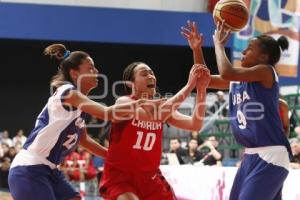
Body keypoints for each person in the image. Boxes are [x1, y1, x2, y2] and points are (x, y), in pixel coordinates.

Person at [8, 44, 160, 200]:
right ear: (75, 74)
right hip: (29, 168)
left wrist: (114, 157)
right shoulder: (68, 92)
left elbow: (84, 140)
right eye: (91, 68)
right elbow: (107, 113)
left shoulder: (80, 104)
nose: (96, 72)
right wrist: (141, 102)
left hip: (49, 169)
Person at [182, 20, 292, 200]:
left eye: (249, 48)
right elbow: (202, 79)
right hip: (250, 155)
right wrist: (197, 49)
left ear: (263, 57)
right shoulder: (237, 80)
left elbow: (227, 72)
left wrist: (219, 44)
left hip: (270, 155)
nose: (243, 51)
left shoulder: (266, 71)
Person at [99, 62, 210, 200]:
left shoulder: (162, 107)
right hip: (121, 177)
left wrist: (202, 90)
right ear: (130, 83)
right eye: (144, 74)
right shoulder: (124, 102)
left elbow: (195, 124)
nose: (150, 76)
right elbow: (156, 116)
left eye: (151, 72)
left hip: (150, 177)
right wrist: (189, 86)